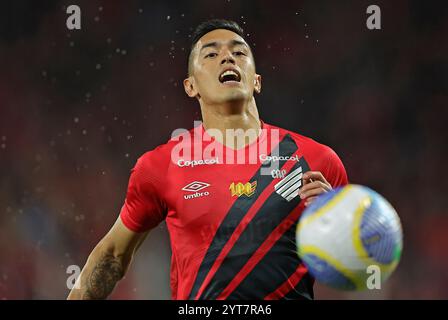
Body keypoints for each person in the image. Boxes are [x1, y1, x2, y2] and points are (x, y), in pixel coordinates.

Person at [68, 19, 348, 300]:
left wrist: (333, 222)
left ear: (257, 81)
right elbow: (113, 256)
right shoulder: (161, 166)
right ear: (191, 87)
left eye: (239, 52)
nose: (227, 57)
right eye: (211, 54)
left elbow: (349, 269)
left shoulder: (319, 161)